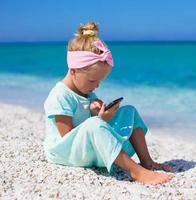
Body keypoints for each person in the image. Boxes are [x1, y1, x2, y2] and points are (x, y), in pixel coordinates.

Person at [43, 22, 173, 185]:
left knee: (129, 111)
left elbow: (89, 126)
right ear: (73, 71)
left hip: (85, 148)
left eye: (100, 81)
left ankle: (147, 162)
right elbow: (68, 137)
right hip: (65, 153)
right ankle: (137, 172)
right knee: (94, 125)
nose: (96, 86)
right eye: (92, 80)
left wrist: (96, 112)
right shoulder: (60, 95)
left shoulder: (87, 91)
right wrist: (100, 120)